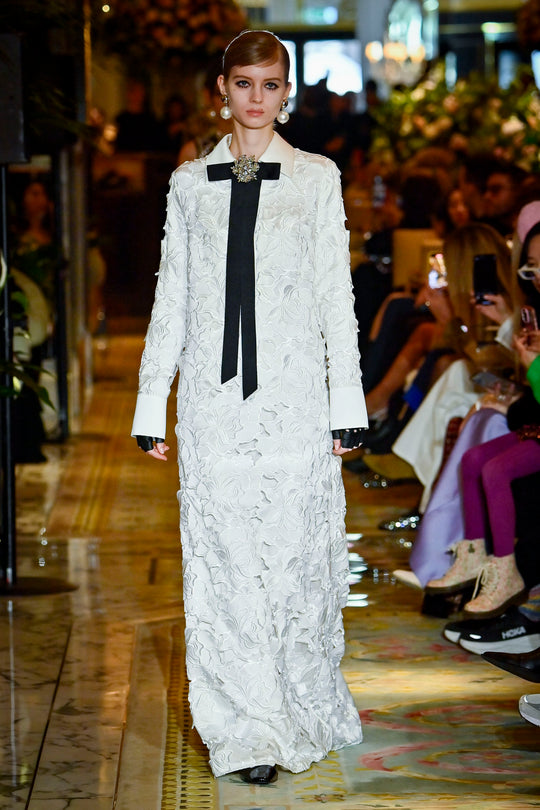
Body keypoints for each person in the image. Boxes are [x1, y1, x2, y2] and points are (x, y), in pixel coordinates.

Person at [131, 30, 367, 785]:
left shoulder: (316, 178)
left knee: (293, 562)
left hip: (294, 399)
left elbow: (335, 297)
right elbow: (172, 297)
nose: (257, 98)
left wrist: (347, 402)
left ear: (286, 92)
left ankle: (296, 704)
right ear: (222, 89)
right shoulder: (188, 183)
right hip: (213, 403)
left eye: (270, 84)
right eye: (244, 83)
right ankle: (246, 730)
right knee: (226, 563)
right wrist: (150, 403)